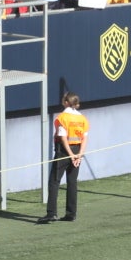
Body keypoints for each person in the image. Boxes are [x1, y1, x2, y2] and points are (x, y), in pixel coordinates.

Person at [40, 90, 87, 222]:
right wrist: (79, 155)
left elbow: (63, 137)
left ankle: (51, 213)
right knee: (72, 182)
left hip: (64, 151)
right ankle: (71, 213)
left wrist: (71, 155)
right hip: (77, 150)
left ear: (66, 102)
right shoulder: (82, 118)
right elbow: (85, 138)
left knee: (54, 181)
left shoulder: (63, 118)